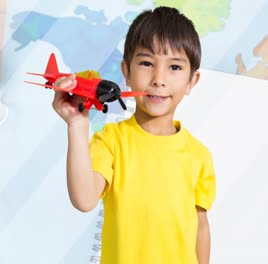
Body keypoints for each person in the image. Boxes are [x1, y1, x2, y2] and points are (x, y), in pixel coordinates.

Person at [52, 6, 216, 264]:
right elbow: (84, 200)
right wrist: (76, 125)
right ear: (126, 72)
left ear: (191, 82)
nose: (158, 79)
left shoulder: (199, 156)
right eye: (147, 63)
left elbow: (201, 225)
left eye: (174, 67)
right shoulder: (110, 142)